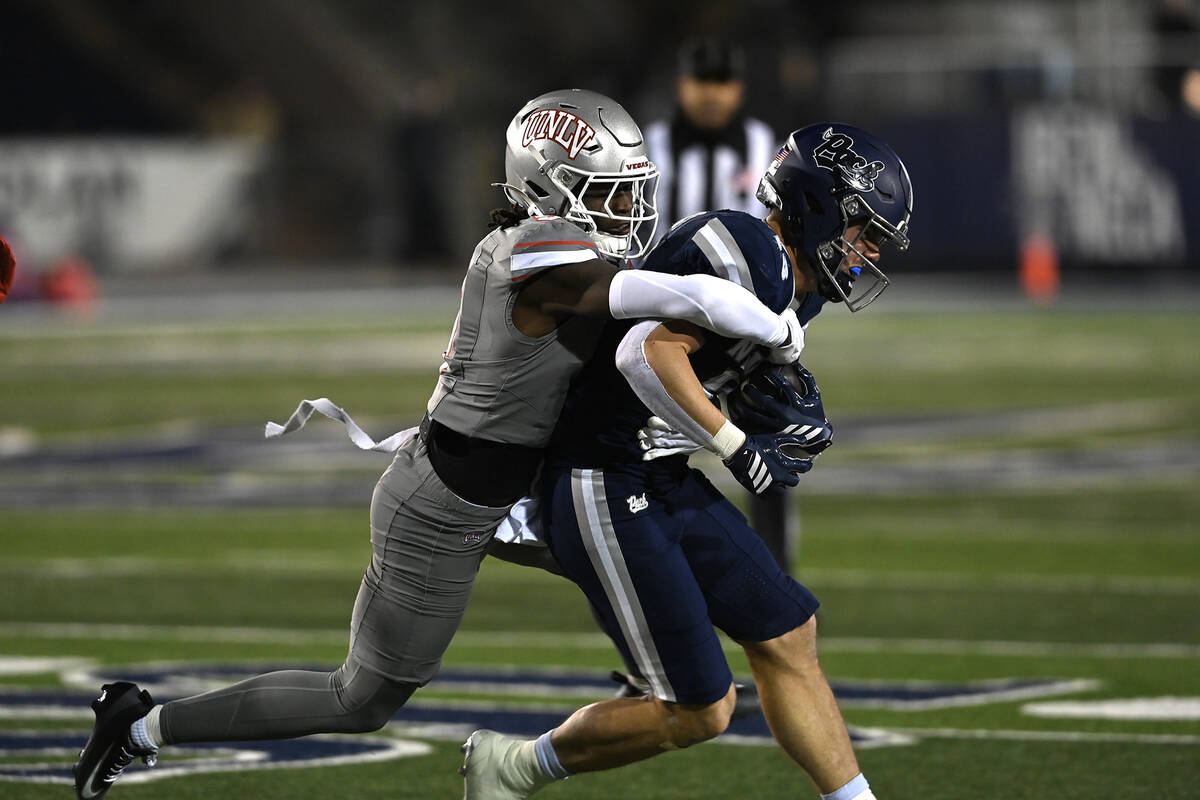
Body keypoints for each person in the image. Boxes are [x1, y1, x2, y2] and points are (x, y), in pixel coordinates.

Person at [71, 88, 809, 800]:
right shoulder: (535, 253)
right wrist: (778, 330)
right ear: (547, 188)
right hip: (447, 503)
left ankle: (651, 672)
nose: (630, 210)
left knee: (629, 531)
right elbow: (682, 297)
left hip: (521, 489)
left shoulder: (564, 248)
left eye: (631, 191)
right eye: (607, 192)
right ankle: (141, 726)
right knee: (361, 699)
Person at [461, 122, 913, 800]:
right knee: (701, 709)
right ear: (820, 206)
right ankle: (512, 768)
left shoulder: (799, 280)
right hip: (598, 476)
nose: (870, 250)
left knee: (789, 633)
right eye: (862, 229)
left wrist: (765, 406)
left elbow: (709, 367)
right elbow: (642, 354)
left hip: (657, 473)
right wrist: (735, 444)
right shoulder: (748, 253)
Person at [645, 37, 796, 574]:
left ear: (739, 88)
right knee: (653, 450)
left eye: (723, 83)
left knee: (773, 450)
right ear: (682, 85)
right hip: (672, 323)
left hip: (751, 326)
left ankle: (775, 569)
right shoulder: (654, 147)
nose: (712, 95)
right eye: (702, 82)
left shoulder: (762, 146)